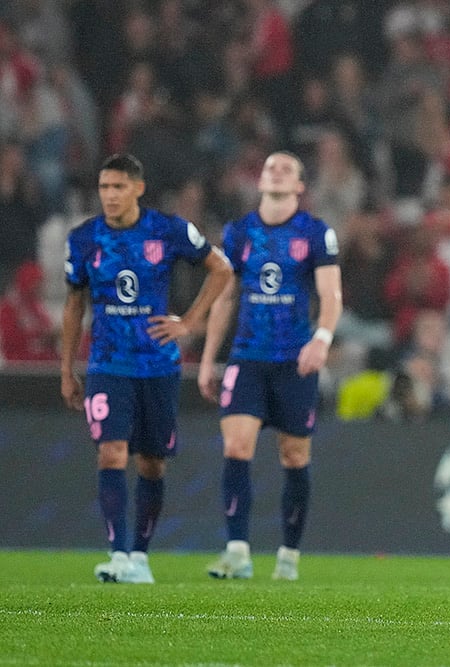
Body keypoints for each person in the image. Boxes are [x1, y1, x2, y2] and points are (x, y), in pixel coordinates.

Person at [60, 153, 232, 583]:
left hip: (157, 364)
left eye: (118, 187)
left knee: (152, 463)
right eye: (104, 188)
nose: (110, 196)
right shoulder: (84, 238)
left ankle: (139, 556)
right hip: (108, 363)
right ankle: (117, 555)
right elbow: (74, 303)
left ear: (138, 188)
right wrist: (67, 368)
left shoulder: (167, 230)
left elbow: (222, 268)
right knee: (111, 451)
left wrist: (189, 323)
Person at [197, 151, 343, 581]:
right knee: (236, 446)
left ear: (300, 186)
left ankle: (289, 555)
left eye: (287, 169)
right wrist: (208, 359)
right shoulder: (240, 232)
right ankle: (238, 551)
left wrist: (321, 338)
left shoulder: (315, 233)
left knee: (294, 454)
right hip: (247, 357)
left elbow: (331, 295)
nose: (275, 171)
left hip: (295, 360)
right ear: (259, 181)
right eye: (269, 167)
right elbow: (225, 296)